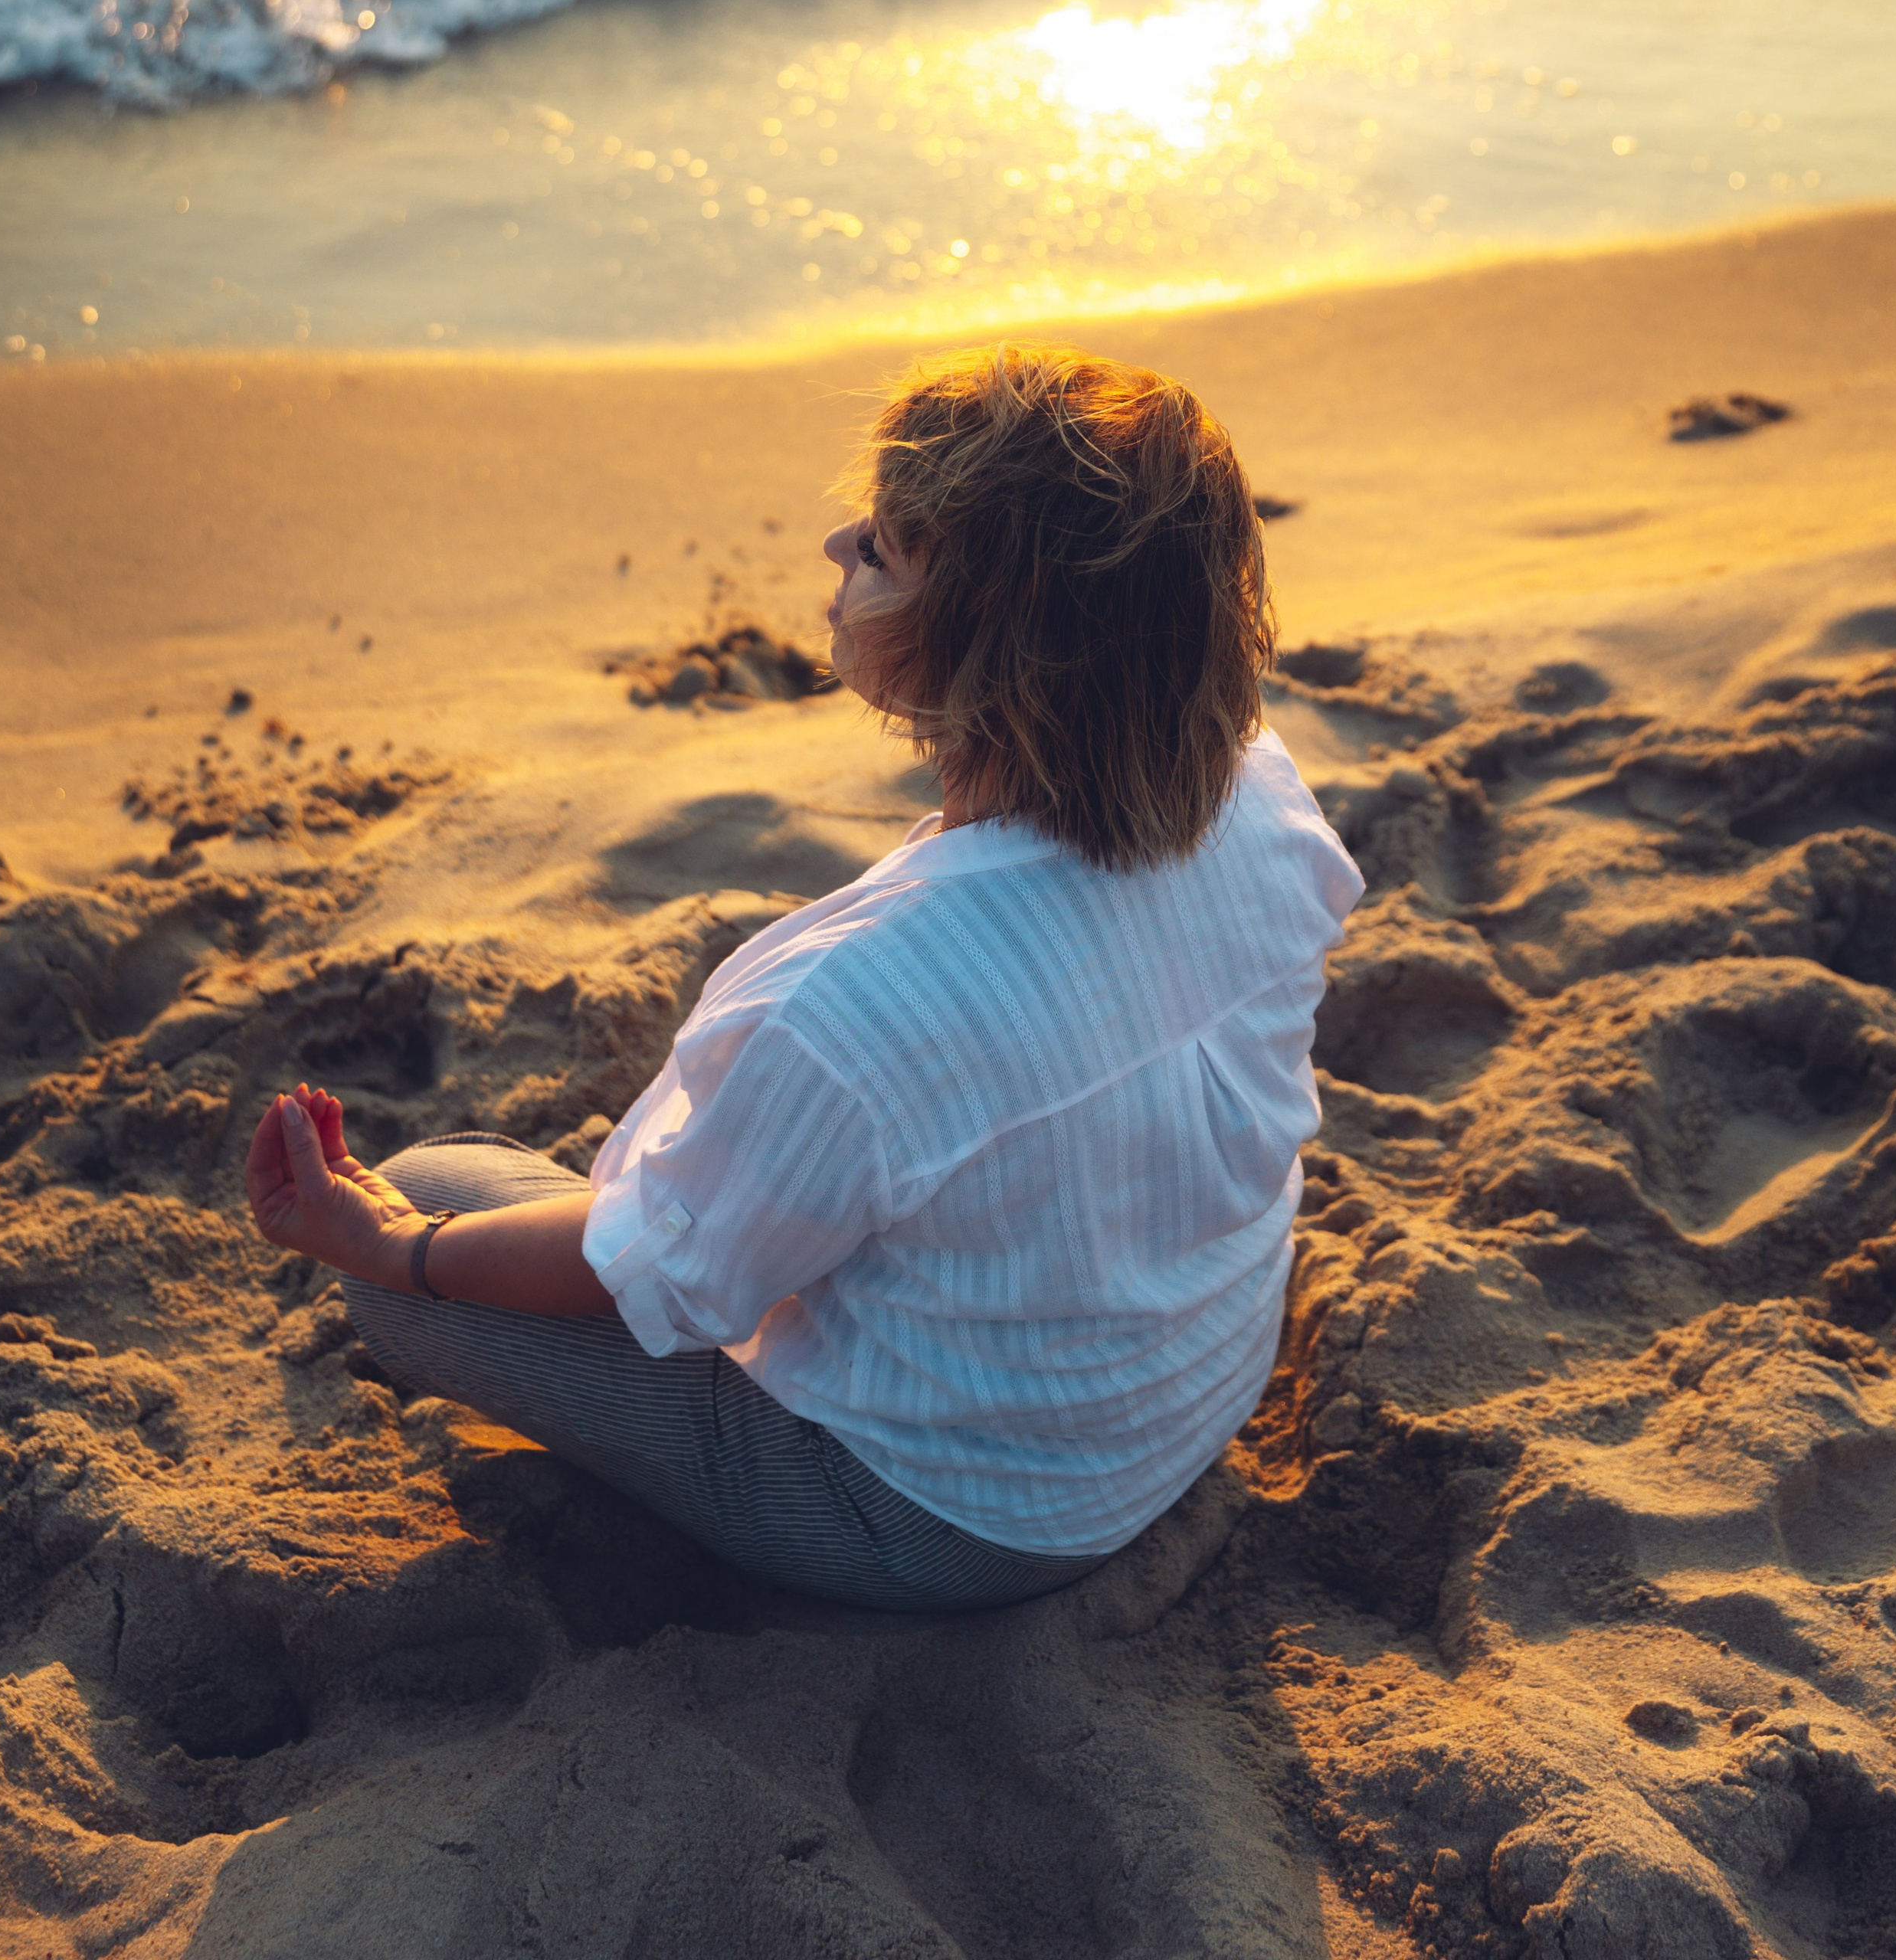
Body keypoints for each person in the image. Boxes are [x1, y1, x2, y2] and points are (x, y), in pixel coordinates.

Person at [244, 345, 1361, 1611]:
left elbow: (656, 1275)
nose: (838, 546)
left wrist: (406, 1250)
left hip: (949, 1518)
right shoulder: (1256, 790)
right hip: (1194, 1380)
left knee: (432, 1186)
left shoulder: (852, 1004)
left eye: (882, 549)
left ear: (988, 647)